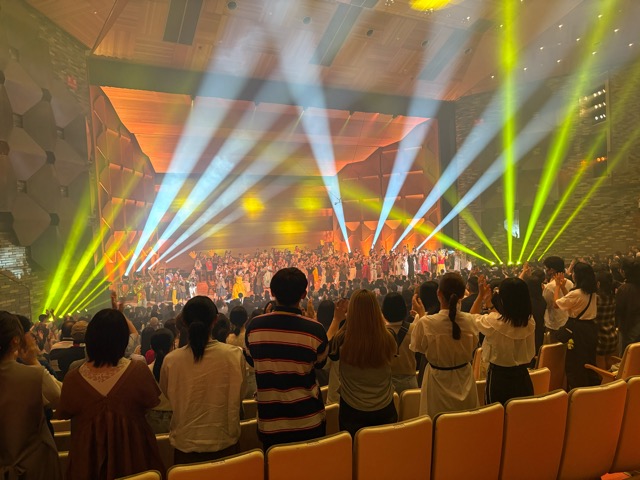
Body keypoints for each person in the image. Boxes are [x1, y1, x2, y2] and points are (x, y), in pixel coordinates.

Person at [57, 309, 164, 480]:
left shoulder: (73, 378)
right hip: (134, 456)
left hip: (87, 462)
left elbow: (65, 412)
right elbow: (151, 405)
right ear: (122, 340)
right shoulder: (138, 371)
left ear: (90, 339)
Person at [244, 267, 328, 450]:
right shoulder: (315, 330)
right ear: (304, 294)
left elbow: (251, 360)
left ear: (272, 293)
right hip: (309, 420)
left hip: (270, 424)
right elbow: (320, 363)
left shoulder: (254, 327)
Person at [160, 296, 247, 464]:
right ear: (215, 320)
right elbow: (240, 394)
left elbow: (168, 394)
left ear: (184, 322)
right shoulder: (234, 355)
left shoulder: (171, 360)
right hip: (225, 444)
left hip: (185, 446)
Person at [0, 311, 62, 480]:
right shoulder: (33, 375)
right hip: (34, 467)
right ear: (16, 340)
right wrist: (34, 361)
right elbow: (61, 398)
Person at [328, 290, 397, 437]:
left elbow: (326, 349)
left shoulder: (341, 339)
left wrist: (336, 319)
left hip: (352, 411)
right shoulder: (389, 336)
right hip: (385, 408)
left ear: (352, 311)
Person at [410, 273, 479, 416]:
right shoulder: (471, 320)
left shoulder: (426, 322)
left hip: (437, 381)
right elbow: (474, 346)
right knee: (466, 422)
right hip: (465, 378)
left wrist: (421, 315)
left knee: (437, 424)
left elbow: (417, 347)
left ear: (439, 293)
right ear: (462, 295)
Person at [471, 276, 535, 405]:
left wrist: (480, 296)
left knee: (497, 413)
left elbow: (471, 317)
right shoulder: (530, 321)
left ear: (503, 299)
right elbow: (507, 318)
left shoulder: (492, 322)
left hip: (498, 377)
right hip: (523, 376)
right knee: (521, 412)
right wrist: (490, 305)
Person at [554, 262, 600, 388]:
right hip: (590, 328)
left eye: (573, 272)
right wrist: (563, 287)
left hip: (578, 332)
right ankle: (591, 388)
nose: (572, 274)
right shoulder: (591, 292)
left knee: (575, 362)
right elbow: (572, 301)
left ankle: (578, 390)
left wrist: (557, 286)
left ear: (578, 275)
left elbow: (556, 304)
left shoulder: (577, 293)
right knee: (588, 360)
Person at [382, 292, 418, 394]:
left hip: (387, 383)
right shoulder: (414, 329)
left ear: (384, 311)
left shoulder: (380, 332)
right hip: (410, 382)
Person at [147, 328, 174, 434]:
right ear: (172, 345)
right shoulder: (179, 368)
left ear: (151, 347)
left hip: (151, 418)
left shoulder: (146, 370)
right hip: (175, 416)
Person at [227, 306, 257, 398]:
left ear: (231, 320)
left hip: (234, 377)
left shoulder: (227, 338)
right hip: (251, 377)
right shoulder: (251, 336)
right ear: (247, 319)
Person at [543, 256, 574, 342]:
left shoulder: (549, 287)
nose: (545, 270)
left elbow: (546, 305)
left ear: (552, 270)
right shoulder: (570, 283)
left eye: (546, 268)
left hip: (554, 324)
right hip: (566, 322)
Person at [595, 270, 618, 370]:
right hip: (612, 335)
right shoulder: (613, 298)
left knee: (601, 368)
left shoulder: (596, 299)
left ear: (598, 284)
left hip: (600, 338)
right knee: (609, 364)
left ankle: (604, 380)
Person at [616, 260, 640, 352]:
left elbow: (618, 310)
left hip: (628, 327)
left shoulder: (624, 289)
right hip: (636, 325)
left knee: (627, 353)